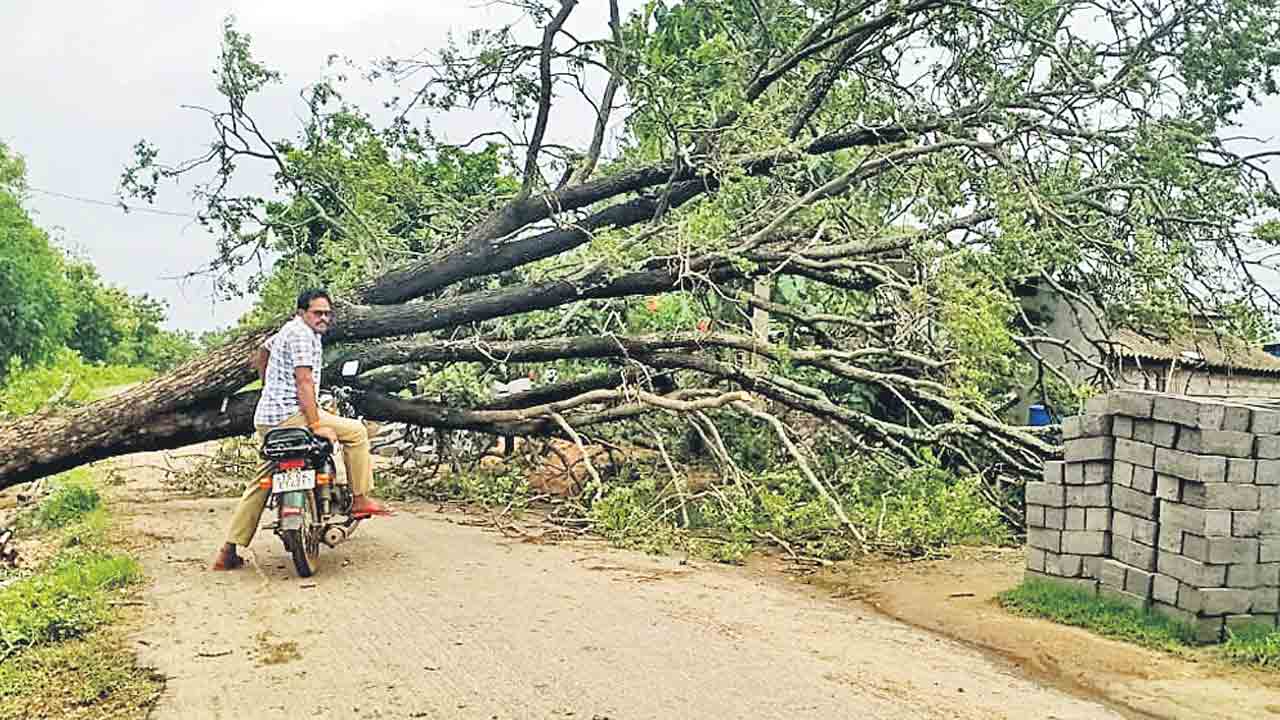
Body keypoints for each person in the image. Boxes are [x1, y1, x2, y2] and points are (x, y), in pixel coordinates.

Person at [211, 288, 390, 571]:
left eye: (327, 313)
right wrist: (316, 423)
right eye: (317, 313)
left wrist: (268, 387)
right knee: (356, 432)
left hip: (267, 419)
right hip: (294, 417)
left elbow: (263, 352)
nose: (323, 318)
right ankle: (359, 499)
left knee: (261, 481)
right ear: (301, 312)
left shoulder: (287, 330)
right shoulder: (304, 336)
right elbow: (304, 382)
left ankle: (227, 551)